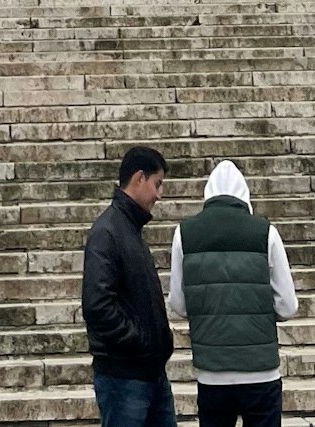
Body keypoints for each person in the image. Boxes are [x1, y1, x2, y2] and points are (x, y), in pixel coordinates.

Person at [167, 157, 298, 426]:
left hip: (212, 373)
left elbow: (179, 304)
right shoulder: (266, 232)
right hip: (260, 371)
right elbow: (288, 305)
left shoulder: (184, 234)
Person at [81, 143, 176, 426]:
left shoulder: (128, 229)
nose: (159, 195)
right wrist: (139, 340)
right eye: (157, 184)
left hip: (150, 372)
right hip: (124, 377)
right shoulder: (108, 232)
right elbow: (97, 305)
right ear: (139, 179)